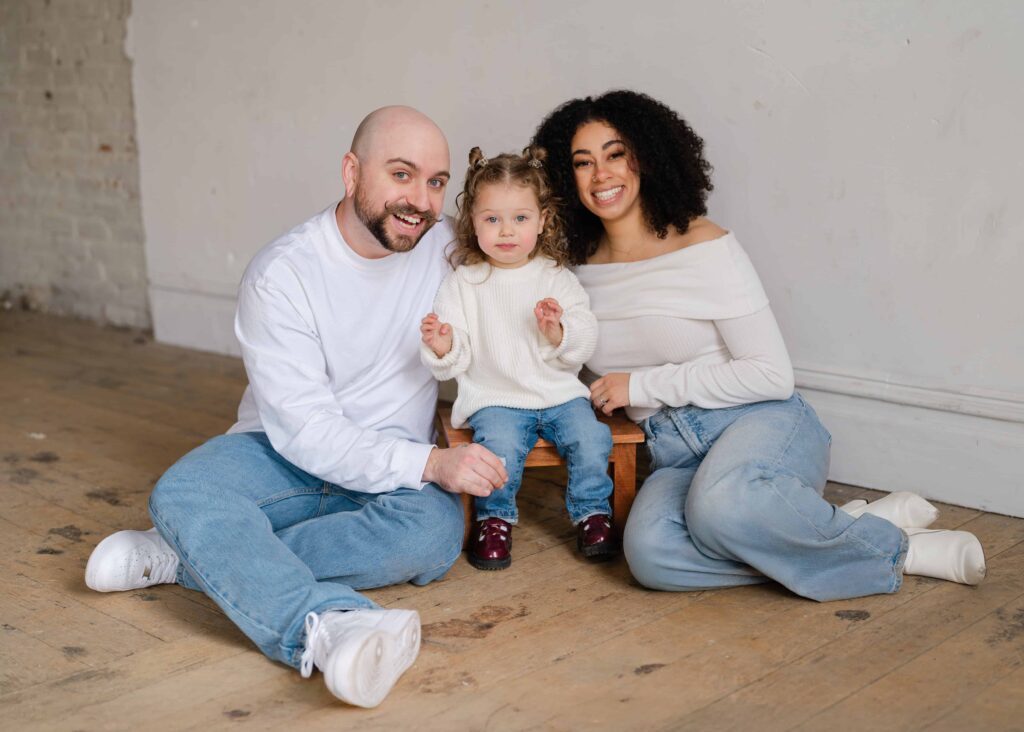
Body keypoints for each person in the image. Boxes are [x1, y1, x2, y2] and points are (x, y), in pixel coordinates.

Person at [83, 106, 509, 708]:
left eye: (437, 182)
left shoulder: (445, 250)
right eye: (401, 174)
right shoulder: (282, 275)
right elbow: (306, 431)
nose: (421, 199)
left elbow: (529, 261)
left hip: (390, 467)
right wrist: (432, 465)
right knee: (184, 493)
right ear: (351, 171)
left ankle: (193, 558)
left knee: (433, 533)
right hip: (281, 452)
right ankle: (329, 628)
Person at [531, 90, 986, 602]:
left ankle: (898, 551)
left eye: (615, 154)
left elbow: (771, 374)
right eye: (582, 162)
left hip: (759, 421)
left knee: (721, 507)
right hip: (673, 452)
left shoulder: (703, 244)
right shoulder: (575, 269)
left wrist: (641, 384)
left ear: (648, 157)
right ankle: (834, 526)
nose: (601, 175)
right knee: (652, 556)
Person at [420, 146, 617, 571]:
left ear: (543, 220)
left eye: (520, 218)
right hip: (496, 399)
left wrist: (558, 332)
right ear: (473, 222)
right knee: (500, 449)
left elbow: (585, 338)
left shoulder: (555, 277)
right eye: (492, 219)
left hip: (560, 394)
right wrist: (443, 344)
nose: (506, 231)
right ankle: (494, 520)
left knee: (591, 438)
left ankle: (591, 513)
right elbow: (458, 355)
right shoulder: (464, 283)